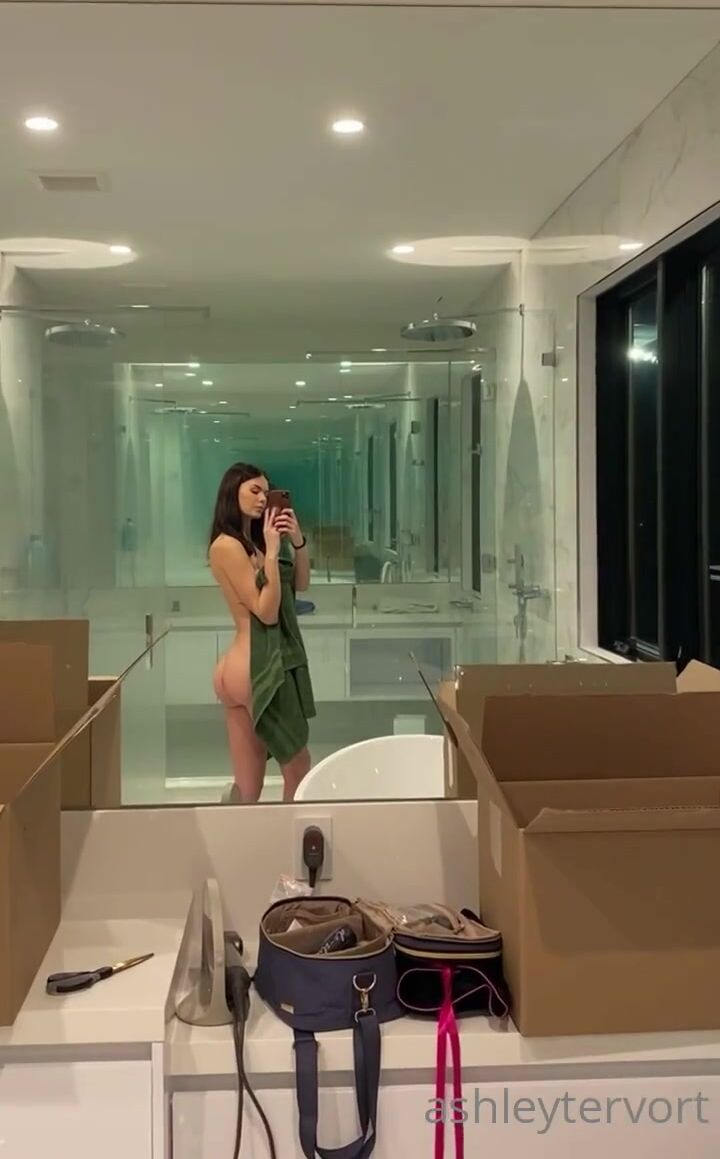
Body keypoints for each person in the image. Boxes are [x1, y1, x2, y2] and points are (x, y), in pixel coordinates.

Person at [208, 462, 315, 803]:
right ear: (231, 493)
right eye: (254, 490)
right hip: (257, 666)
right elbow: (266, 612)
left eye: (266, 493)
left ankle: (241, 836)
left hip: (242, 667)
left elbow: (301, 583)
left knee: (248, 786)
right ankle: (289, 833)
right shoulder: (226, 546)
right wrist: (271, 551)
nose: (262, 499)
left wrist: (296, 541)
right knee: (299, 766)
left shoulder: (252, 545)